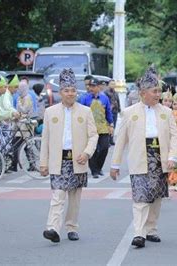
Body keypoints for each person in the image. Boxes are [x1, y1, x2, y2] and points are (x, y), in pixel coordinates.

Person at [110, 66, 177, 248]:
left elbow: (174, 137)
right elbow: (121, 141)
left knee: (156, 197)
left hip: (160, 157)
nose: (158, 94)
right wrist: (115, 164)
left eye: (159, 91)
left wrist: (173, 157)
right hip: (139, 156)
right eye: (154, 91)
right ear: (142, 93)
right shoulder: (129, 112)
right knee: (140, 197)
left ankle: (151, 229)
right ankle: (139, 233)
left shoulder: (166, 112)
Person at [40, 68, 98, 243]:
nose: (70, 94)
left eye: (73, 90)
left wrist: (87, 153)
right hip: (58, 160)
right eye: (66, 90)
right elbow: (45, 139)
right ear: (60, 92)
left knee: (74, 197)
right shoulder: (50, 112)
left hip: (78, 159)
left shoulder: (85, 111)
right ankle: (52, 228)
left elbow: (93, 135)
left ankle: (72, 227)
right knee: (58, 194)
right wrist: (43, 163)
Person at [80, 77, 113, 178]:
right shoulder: (85, 98)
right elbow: (80, 112)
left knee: (104, 148)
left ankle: (99, 167)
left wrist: (111, 125)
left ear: (99, 87)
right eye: (90, 86)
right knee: (92, 150)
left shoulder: (104, 98)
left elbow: (108, 112)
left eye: (94, 86)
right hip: (90, 128)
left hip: (103, 127)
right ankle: (94, 170)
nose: (91, 88)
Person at [104, 80, 121, 145]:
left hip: (115, 111)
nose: (113, 85)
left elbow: (118, 101)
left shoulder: (115, 93)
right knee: (108, 125)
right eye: (111, 84)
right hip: (109, 111)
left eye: (114, 84)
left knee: (114, 126)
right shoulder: (105, 93)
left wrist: (119, 109)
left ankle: (111, 139)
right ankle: (107, 140)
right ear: (108, 85)